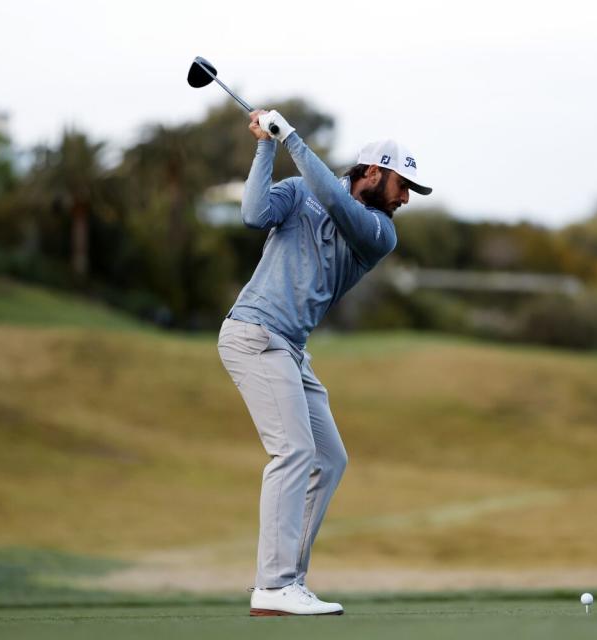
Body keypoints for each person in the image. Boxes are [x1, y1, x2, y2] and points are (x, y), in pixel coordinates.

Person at [217, 109, 432, 616]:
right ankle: (274, 584)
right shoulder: (298, 190)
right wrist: (267, 146)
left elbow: (334, 199)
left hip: (289, 347)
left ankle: (287, 580)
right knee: (293, 451)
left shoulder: (379, 232)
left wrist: (288, 134)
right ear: (373, 172)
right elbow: (252, 214)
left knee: (328, 458)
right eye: (404, 185)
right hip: (255, 333)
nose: (405, 199)